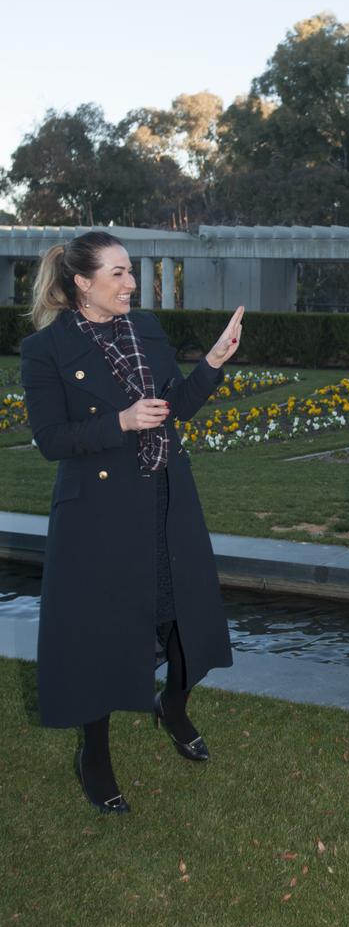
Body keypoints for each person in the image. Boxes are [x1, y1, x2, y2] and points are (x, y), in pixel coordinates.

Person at [21, 231, 245, 814]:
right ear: (82, 283)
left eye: (130, 271)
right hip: (96, 516)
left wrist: (214, 364)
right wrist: (119, 423)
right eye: (118, 273)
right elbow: (50, 441)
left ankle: (174, 703)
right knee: (96, 638)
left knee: (185, 620)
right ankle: (94, 755)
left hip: (166, 499)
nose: (131, 283)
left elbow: (173, 410)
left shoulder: (144, 331)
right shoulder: (45, 349)